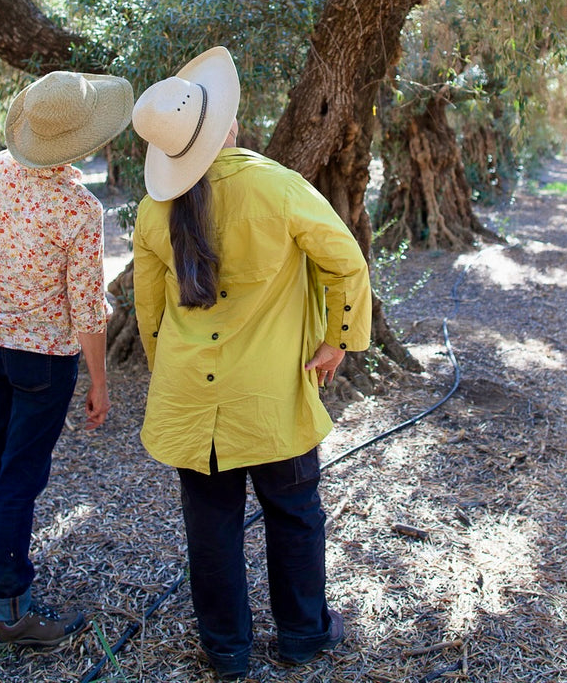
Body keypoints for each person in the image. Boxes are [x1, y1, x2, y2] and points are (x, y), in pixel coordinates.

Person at [130, 46, 371, 681]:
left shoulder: (154, 212)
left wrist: (170, 376)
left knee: (211, 529)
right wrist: (336, 340)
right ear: (227, 124)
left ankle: (227, 651)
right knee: (293, 513)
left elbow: (150, 318)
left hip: (193, 400)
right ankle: (301, 635)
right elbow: (347, 263)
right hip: (273, 396)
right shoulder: (276, 184)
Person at [0, 69, 134, 652]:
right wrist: (99, 381)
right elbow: (86, 310)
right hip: (42, 358)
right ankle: (11, 611)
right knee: (18, 478)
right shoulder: (78, 206)